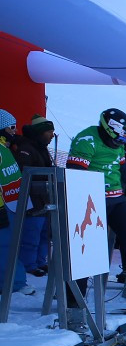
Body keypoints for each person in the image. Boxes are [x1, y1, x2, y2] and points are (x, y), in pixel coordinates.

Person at [66, 108, 126, 315]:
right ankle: (74, 298)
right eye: (116, 141)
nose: (119, 145)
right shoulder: (86, 140)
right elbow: (75, 174)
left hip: (117, 199)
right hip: (90, 200)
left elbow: (123, 169)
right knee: (86, 247)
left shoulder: (119, 144)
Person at [13, 114, 55, 278]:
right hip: (32, 199)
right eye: (49, 132)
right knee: (32, 232)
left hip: (44, 197)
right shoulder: (27, 148)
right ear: (40, 132)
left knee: (44, 232)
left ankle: (39, 261)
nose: (52, 135)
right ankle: (29, 263)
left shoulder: (41, 147)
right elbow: (24, 173)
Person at [0, 111, 34, 297]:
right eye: (11, 127)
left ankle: (14, 281)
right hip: (4, 205)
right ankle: (15, 283)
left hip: (9, 203)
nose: (14, 131)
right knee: (7, 244)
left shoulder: (4, 148)